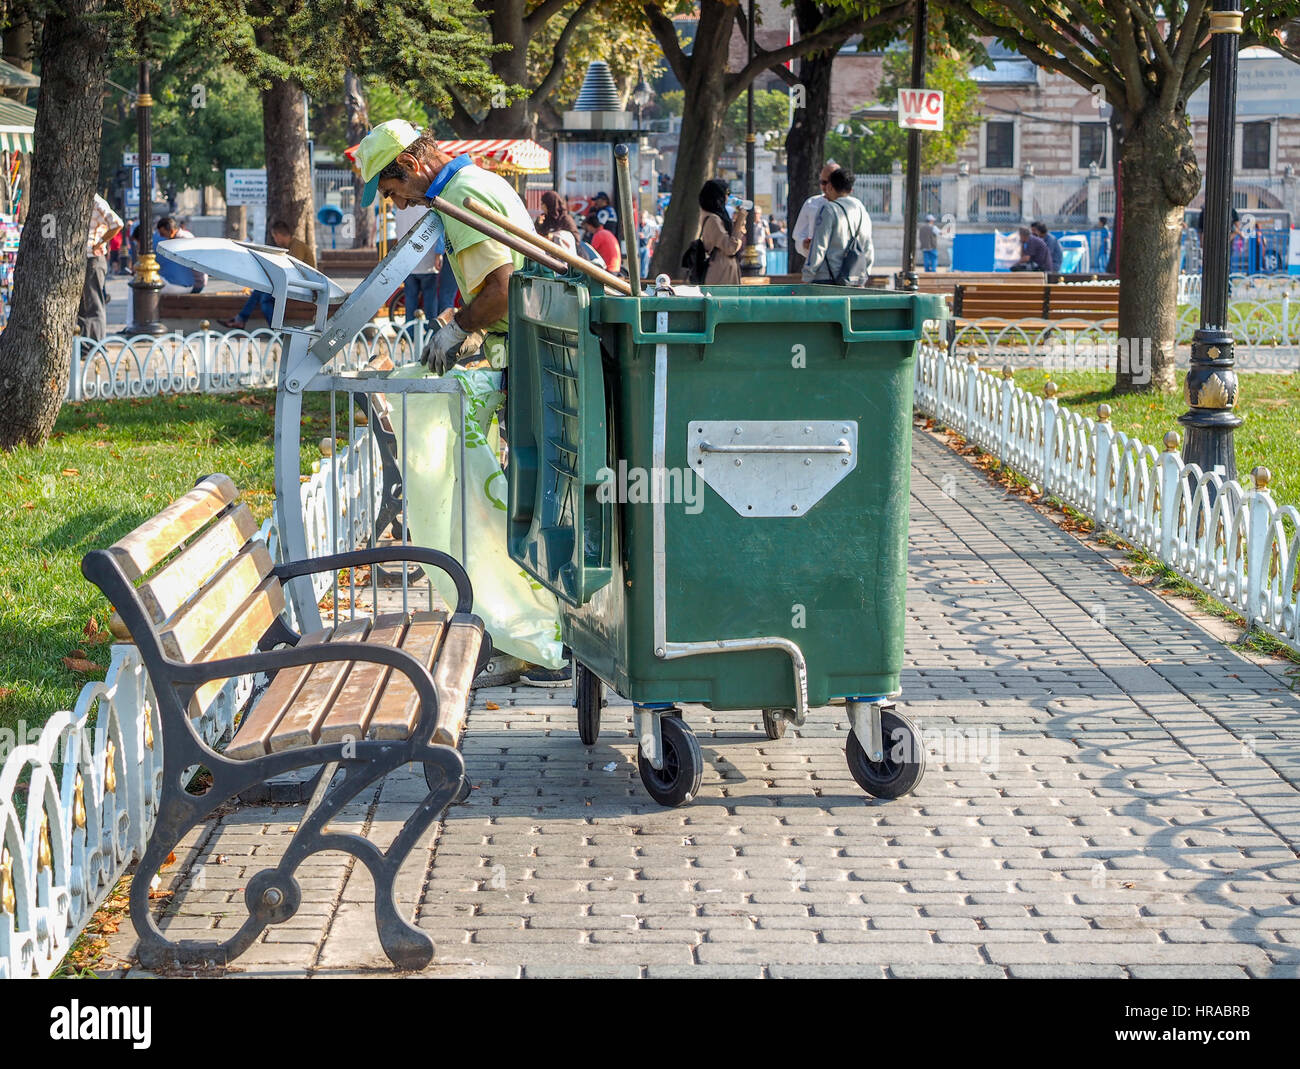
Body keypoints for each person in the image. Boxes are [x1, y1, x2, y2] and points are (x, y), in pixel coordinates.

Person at [356, 118, 568, 684]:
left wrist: (459, 329)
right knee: (514, 489)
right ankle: (531, 630)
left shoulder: (460, 195)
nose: (392, 199)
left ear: (412, 165)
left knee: (504, 495)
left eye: (390, 185)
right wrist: (464, 324)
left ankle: (530, 631)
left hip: (524, 347)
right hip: (524, 346)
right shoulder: (468, 186)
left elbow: (499, 290)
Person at [219, 220, 314, 329]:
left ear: (278, 235)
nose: (275, 240)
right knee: (261, 291)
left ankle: (275, 330)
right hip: (294, 284)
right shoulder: (292, 246)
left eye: (274, 237)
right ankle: (242, 319)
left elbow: (291, 271)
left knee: (265, 300)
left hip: (303, 286)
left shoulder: (297, 246)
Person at [802, 168, 871, 286]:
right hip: (853, 277)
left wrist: (807, 275)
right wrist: (864, 274)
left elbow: (819, 246)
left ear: (830, 187)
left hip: (827, 278)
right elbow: (867, 246)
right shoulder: (859, 209)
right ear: (851, 190)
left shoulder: (828, 209)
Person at [392, 203, 455, 324]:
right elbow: (439, 230)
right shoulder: (428, 206)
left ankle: (409, 334)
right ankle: (430, 332)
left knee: (410, 300)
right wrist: (438, 254)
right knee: (430, 300)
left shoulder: (400, 209)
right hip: (427, 261)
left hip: (407, 263)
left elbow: (398, 231)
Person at [78, 194, 122, 341]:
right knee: (83, 305)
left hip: (93, 259)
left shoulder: (97, 202)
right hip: (82, 259)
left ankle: (96, 344)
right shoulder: (79, 199)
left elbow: (117, 224)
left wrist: (99, 243)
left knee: (94, 304)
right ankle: (86, 343)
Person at [697, 179, 746, 285]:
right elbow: (730, 247)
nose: (728, 197)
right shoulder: (713, 220)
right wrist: (740, 220)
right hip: (721, 272)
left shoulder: (714, 217)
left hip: (724, 269)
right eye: (726, 194)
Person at [791, 161, 838, 264]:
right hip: (817, 266)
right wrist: (805, 244)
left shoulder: (854, 207)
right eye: (823, 183)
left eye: (830, 183)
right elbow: (798, 236)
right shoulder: (811, 203)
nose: (827, 187)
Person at [155, 216, 207, 293]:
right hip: (192, 282)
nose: (161, 236)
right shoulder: (181, 237)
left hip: (193, 283)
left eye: (162, 234)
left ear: (171, 231)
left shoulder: (183, 240)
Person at [536, 190, 580, 255]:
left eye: (543, 204)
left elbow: (575, 241)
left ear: (550, 204)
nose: (541, 207)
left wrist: (555, 238)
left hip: (563, 257)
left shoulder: (566, 220)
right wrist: (538, 225)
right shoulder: (544, 218)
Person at [751, 206, 772, 275]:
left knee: (762, 264)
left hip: (761, 246)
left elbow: (768, 234)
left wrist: (771, 244)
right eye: (755, 213)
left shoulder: (763, 223)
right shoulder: (750, 223)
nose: (756, 215)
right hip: (752, 247)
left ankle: (761, 277)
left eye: (758, 213)